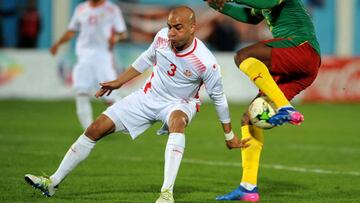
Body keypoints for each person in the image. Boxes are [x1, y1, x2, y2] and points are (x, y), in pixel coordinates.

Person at [25, 6, 250, 203]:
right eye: (169, 26)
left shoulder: (206, 62)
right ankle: (52, 182)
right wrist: (118, 82)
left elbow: (219, 98)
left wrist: (229, 136)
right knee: (95, 129)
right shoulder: (162, 37)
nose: (171, 32)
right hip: (148, 97)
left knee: (178, 122)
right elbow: (145, 60)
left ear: (193, 28)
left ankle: (166, 194)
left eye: (178, 27)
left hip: (180, 103)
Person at [205, 0, 321, 201]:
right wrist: (220, 6)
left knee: (243, 55)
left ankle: (284, 108)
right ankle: (248, 187)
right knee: (248, 119)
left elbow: (265, 1)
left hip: (301, 49)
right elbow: (250, 16)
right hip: (301, 67)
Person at [50, 0, 128, 130]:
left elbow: (123, 33)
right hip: (84, 58)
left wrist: (116, 38)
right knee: (81, 92)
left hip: (103, 58)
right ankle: (89, 130)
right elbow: (71, 31)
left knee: (110, 97)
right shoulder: (81, 9)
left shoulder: (112, 9)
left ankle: (126, 123)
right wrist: (57, 43)